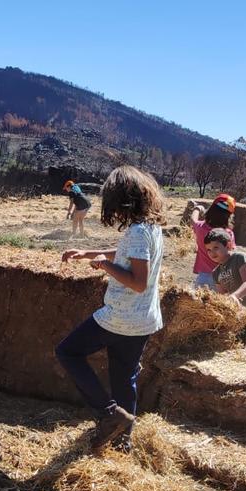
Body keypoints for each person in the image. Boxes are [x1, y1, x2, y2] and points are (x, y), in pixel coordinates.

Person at [56, 165, 165, 454]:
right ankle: (121, 443)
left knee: (67, 352)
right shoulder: (150, 228)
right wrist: (89, 254)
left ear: (123, 198)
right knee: (123, 378)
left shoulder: (139, 232)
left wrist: (103, 265)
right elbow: (129, 255)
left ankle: (108, 413)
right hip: (143, 319)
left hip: (120, 316)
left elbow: (138, 282)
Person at [204, 228, 246, 347]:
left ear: (228, 245)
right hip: (241, 315)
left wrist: (234, 296)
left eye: (216, 248)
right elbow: (223, 296)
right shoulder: (216, 273)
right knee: (232, 344)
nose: (212, 253)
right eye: (208, 250)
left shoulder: (239, 258)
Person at [188, 194, 235, 289]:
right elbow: (232, 256)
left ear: (211, 210)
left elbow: (193, 220)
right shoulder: (228, 234)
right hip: (222, 280)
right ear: (228, 216)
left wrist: (197, 208)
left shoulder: (200, 228)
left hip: (203, 279)